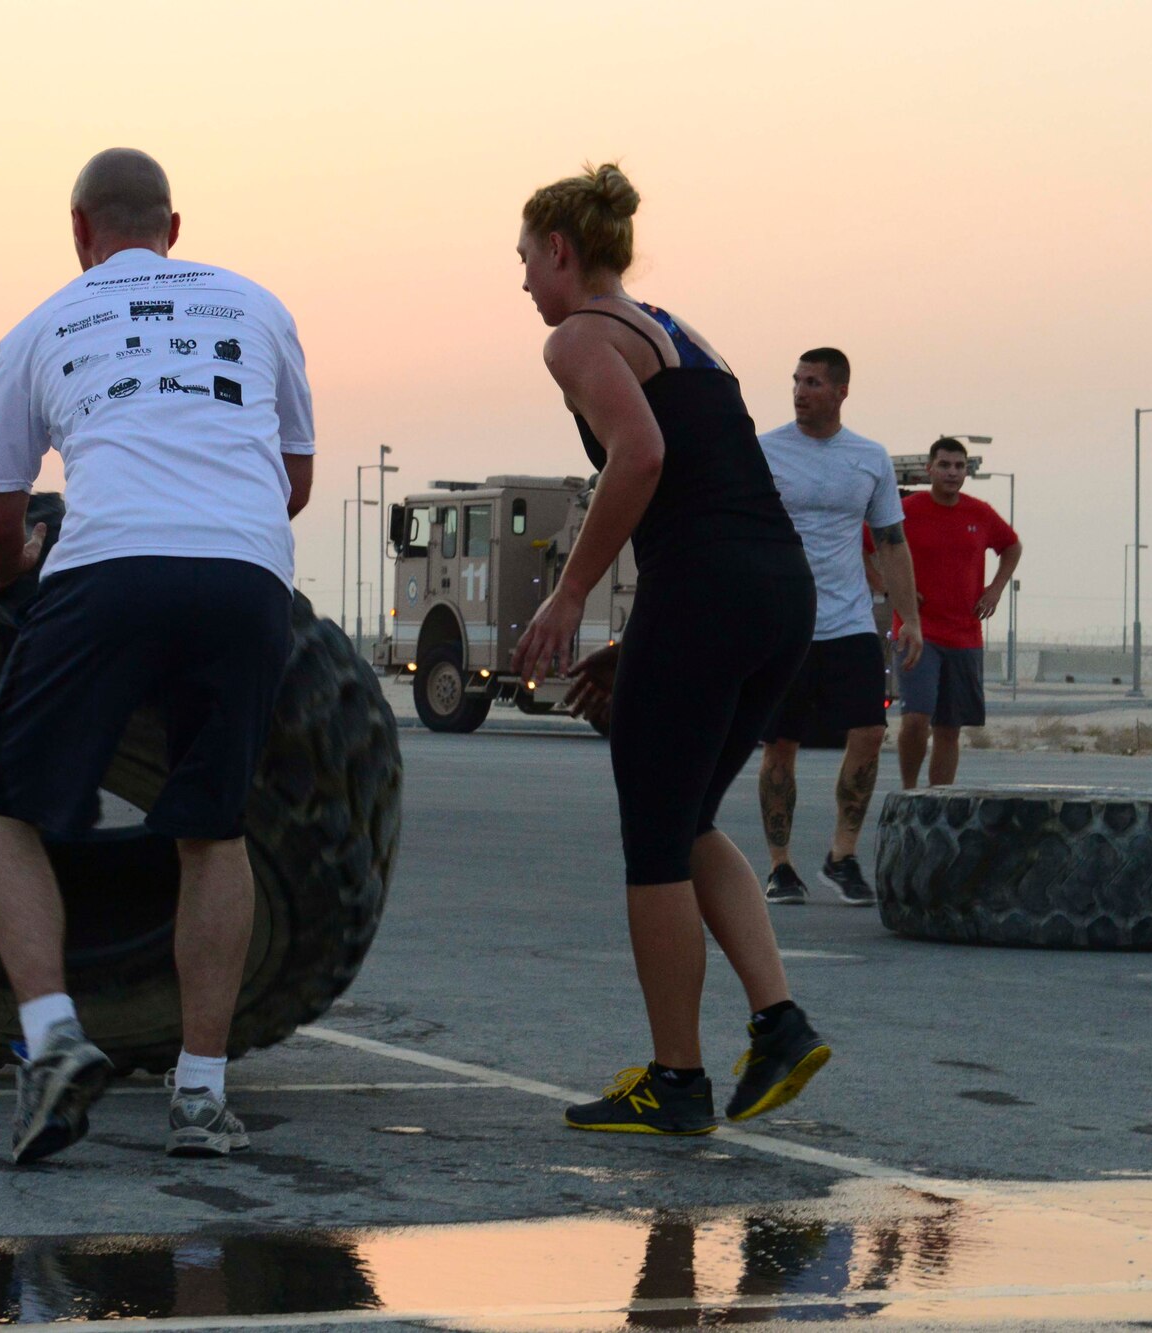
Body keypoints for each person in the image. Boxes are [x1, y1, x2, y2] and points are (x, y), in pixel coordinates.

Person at [0, 148, 314, 1163]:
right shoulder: (258, 306)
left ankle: (55, 1038)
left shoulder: (39, 327)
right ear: (173, 226)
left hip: (106, 569)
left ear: (79, 232)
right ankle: (200, 1097)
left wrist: (18, 570)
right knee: (213, 829)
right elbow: (294, 478)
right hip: (247, 578)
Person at [510, 163, 830, 1135]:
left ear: (561, 251)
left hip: (708, 591)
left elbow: (640, 455)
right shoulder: (677, 330)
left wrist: (568, 592)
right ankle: (777, 1022)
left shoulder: (577, 338)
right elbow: (707, 487)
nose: (521, 283)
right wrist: (638, 641)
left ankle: (675, 1079)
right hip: (775, 592)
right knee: (687, 815)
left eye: (523, 261)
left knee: (654, 834)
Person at [755, 351, 923, 906]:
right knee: (780, 744)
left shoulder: (869, 457)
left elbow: (892, 543)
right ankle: (781, 867)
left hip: (849, 621)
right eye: (797, 381)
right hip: (783, 620)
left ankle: (841, 856)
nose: (801, 392)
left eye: (813, 383)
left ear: (842, 391)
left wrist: (910, 619)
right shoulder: (766, 451)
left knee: (871, 733)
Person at [882, 437, 1021, 787]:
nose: (952, 472)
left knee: (949, 728)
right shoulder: (907, 510)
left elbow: (1012, 546)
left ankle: (938, 800)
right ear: (930, 468)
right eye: (944, 465)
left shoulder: (980, 513)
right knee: (915, 719)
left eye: (959, 466)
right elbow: (867, 545)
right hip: (917, 635)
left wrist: (995, 588)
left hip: (964, 637)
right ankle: (910, 794)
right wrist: (891, 588)